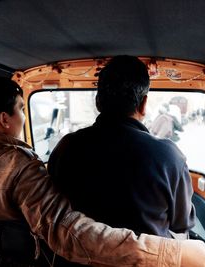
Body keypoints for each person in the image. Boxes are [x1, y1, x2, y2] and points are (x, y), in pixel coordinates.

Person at [0, 74, 205, 267]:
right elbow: (71, 234)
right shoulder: (18, 167)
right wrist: (175, 253)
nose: (24, 115)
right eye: (22, 108)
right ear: (4, 119)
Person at [48, 56, 196, 265]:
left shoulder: (66, 148)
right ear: (143, 104)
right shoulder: (169, 157)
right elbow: (182, 223)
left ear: (98, 102)